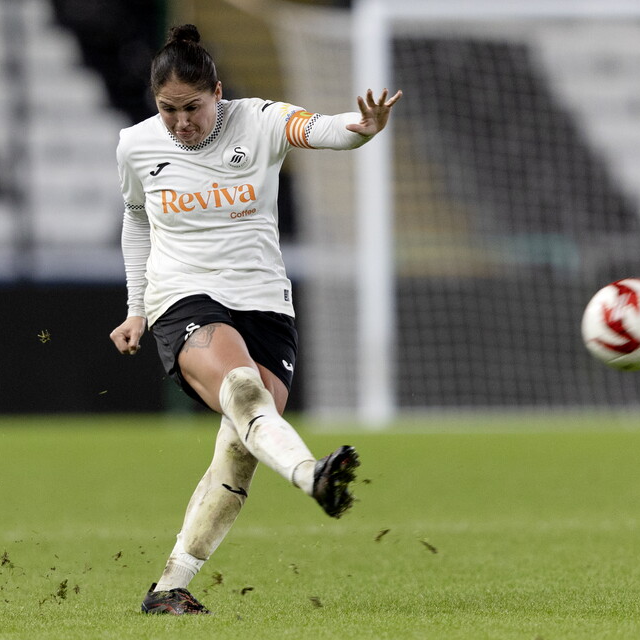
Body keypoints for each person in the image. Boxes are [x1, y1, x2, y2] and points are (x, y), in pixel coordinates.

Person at [109, 23, 401, 615]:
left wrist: (363, 128)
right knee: (241, 388)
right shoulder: (136, 146)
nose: (181, 122)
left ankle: (169, 588)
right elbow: (137, 220)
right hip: (182, 299)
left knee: (241, 447)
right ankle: (311, 476)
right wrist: (138, 306)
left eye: (192, 107)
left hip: (265, 305)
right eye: (168, 110)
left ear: (218, 91)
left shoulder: (259, 120)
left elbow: (317, 128)